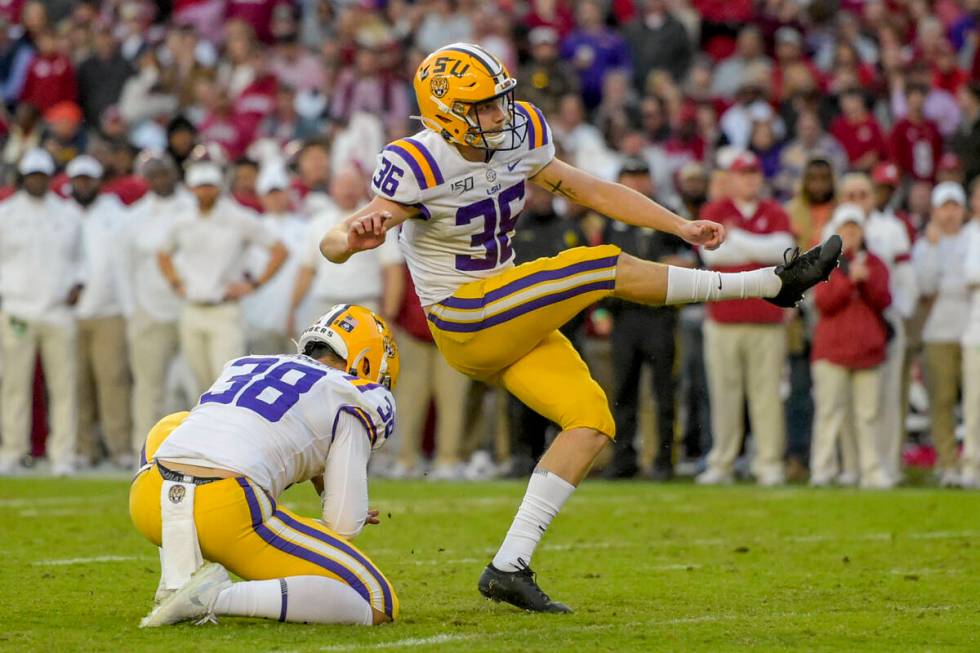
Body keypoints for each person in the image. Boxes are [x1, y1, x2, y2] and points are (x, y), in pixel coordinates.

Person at [319, 43, 841, 612]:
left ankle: (509, 565)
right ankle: (771, 283)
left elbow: (591, 189)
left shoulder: (520, 134)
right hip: (464, 316)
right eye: (485, 107)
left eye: (500, 100)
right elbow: (337, 237)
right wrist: (350, 240)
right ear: (446, 110)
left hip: (512, 309)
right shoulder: (416, 162)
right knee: (594, 265)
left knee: (591, 423)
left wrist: (677, 223)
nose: (501, 114)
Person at [130, 305, 400, 627]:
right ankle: (211, 598)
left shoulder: (247, 364)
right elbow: (343, 525)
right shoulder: (351, 392)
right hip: (223, 508)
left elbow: (186, 435)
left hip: (149, 501)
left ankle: (175, 575)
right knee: (378, 599)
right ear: (366, 362)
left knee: (175, 423)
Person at [697, 151, 797, 487]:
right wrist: (759, 250)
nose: (749, 179)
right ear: (731, 178)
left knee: (766, 394)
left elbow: (784, 251)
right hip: (724, 318)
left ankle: (768, 463)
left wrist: (738, 241)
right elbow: (710, 255)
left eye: (754, 173)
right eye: (743, 173)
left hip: (767, 319)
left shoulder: (775, 211)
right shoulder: (715, 211)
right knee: (724, 394)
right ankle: (722, 462)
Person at [156, 160, 289, 396]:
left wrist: (253, 285)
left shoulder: (238, 218)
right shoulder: (183, 221)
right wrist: (176, 283)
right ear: (191, 188)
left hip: (225, 310)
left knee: (227, 384)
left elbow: (279, 251)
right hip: (192, 308)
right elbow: (163, 253)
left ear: (219, 187)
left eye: (209, 186)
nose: (205, 191)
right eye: (200, 186)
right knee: (198, 384)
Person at [601, 157, 693, 480]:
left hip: (659, 314)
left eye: (642, 176)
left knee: (664, 391)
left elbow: (688, 257)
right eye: (630, 176)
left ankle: (664, 461)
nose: (637, 183)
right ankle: (624, 458)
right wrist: (601, 311)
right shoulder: (610, 218)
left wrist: (673, 263)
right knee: (623, 390)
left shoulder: (666, 215)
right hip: (624, 315)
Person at [0, 148, 82, 476]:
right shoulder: (5, 214)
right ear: (23, 178)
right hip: (18, 309)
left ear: (49, 177)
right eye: (31, 174)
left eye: (42, 175)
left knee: (64, 388)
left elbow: (82, 260)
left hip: (58, 311)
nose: (37, 180)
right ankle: (12, 450)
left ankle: (63, 454)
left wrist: (79, 284)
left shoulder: (68, 214)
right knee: (14, 385)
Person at [810, 204, 893, 488]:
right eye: (846, 229)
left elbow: (883, 298)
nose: (851, 234)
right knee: (829, 414)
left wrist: (864, 281)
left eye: (855, 229)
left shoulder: (875, 264)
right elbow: (823, 302)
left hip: (867, 351)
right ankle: (823, 469)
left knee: (868, 416)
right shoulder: (825, 264)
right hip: (832, 350)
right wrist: (848, 282)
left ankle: (870, 469)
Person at [122, 155, 194, 451]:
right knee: (148, 387)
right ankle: (145, 452)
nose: (161, 179)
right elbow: (123, 267)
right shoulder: (134, 217)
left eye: (165, 172)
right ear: (146, 179)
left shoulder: (193, 209)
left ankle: (198, 452)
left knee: (197, 384)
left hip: (191, 309)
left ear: (175, 174)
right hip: (149, 311)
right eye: (154, 174)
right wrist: (132, 310)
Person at [67, 155, 133, 470]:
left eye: (88, 179)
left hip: (110, 310)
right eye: (78, 180)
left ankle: (119, 446)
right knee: (76, 383)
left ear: (98, 182)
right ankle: (83, 448)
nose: (83, 185)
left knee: (113, 382)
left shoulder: (116, 213)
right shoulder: (61, 212)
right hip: (68, 313)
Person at [913, 182, 970, 486]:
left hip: (971, 330)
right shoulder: (925, 246)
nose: (949, 214)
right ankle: (948, 463)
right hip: (937, 332)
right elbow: (924, 286)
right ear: (934, 211)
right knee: (942, 401)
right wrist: (933, 250)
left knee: (974, 401)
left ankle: (971, 461)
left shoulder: (974, 238)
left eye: (954, 206)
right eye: (944, 207)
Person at [242, 165, 308, 355]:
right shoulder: (253, 229)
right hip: (259, 318)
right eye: (270, 193)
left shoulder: (304, 228)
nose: (276, 198)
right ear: (261, 196)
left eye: (279, 192)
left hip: (299, 322)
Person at [962, 178, 980, 488]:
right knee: (974, 405)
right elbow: (970, 274)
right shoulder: (969, 234)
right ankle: (971, 466)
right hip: (975, 331)